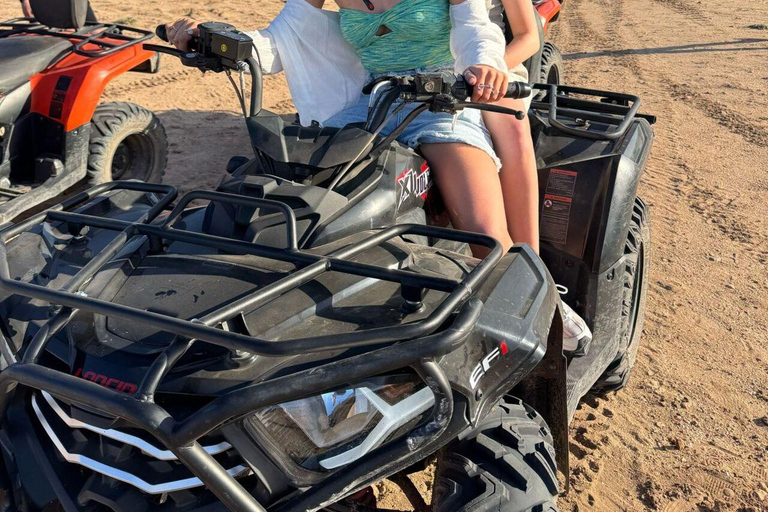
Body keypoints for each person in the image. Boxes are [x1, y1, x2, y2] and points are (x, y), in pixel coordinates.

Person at [165, 0, 591, 351]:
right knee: (302, 195)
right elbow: (279, 40)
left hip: (445, 95)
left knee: (485, 236)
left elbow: (473, 29)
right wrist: (215, 39)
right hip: (373, 101)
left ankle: (539, 297)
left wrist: (483, 66)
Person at [484, 0, 593, 350]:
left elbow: (529, 37)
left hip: (489, 71)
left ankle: (538, 283)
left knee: (511, 127)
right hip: (404, 73)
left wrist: (490, 70)